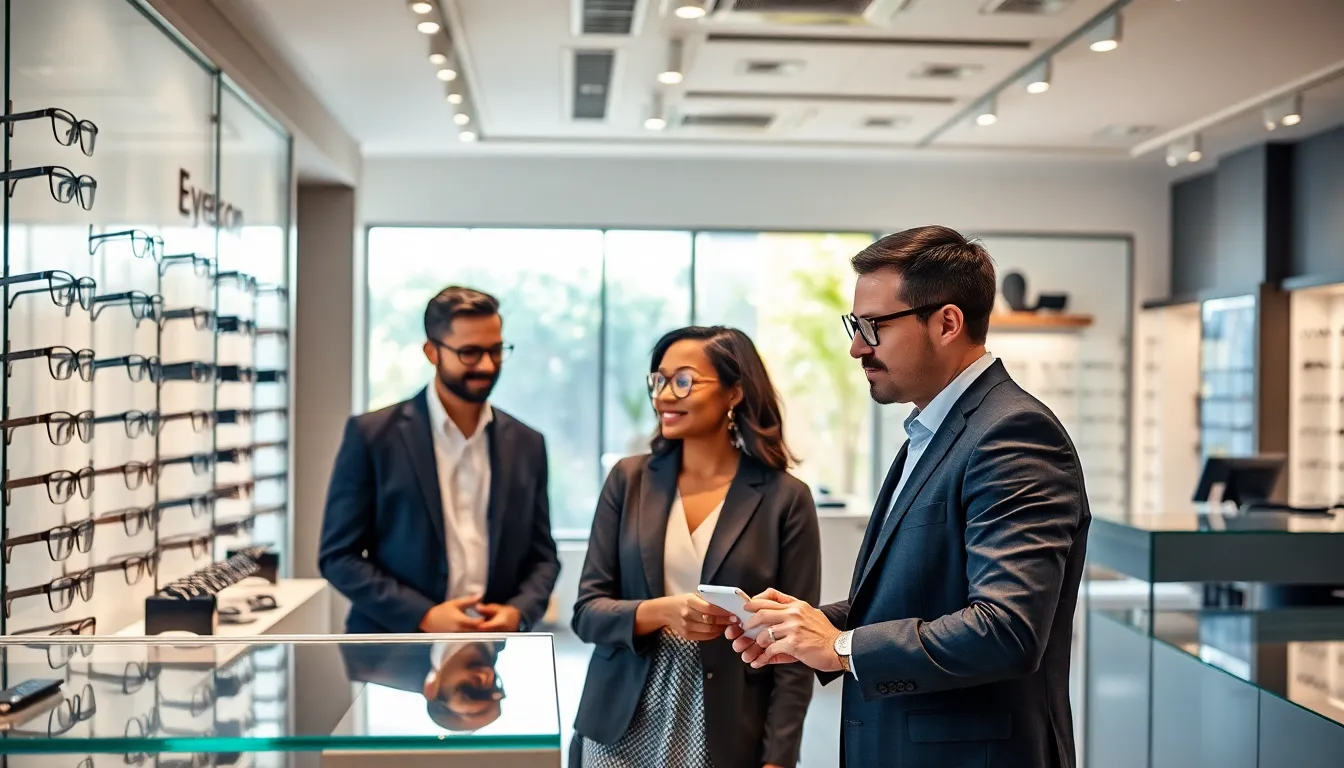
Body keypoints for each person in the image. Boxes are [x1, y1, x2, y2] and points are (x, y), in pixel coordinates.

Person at [728, 226, 1090, 768]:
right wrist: (805, 626)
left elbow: (1007, 628)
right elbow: (917, 597)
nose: (856, 347)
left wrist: (841, 647)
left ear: (947, 323)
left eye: (872, 327)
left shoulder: (1012, 434)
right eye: (855, 325)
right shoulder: (935, 431)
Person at [571, 326, 821, 768]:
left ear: (734, 393)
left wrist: (779, 758)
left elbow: (795, 649)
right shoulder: (629, 481)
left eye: (684, 380)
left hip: (727, 720)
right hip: (620, 718)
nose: (665, 395)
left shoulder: (785, 498)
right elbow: (587, 614)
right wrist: (663, 612)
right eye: (659, 380)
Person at [319, 286, 560, 635]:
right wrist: (424, 616)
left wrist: (518, 613)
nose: (487, 365)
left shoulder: (528, 443)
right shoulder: (372, 435)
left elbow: (543, 557)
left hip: (491, 652)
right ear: (432, 352)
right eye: (470, 353)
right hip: (392, 653)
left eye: (496, 350)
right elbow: (338, 556)